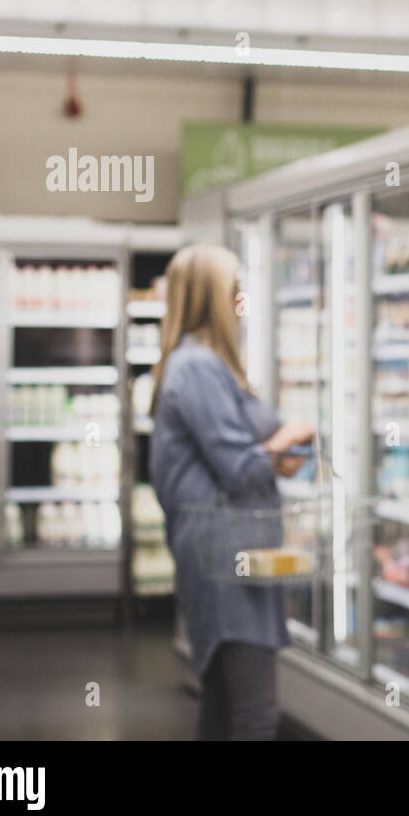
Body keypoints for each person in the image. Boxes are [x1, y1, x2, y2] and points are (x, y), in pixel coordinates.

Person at [148, 243, 314, 740]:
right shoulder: (198, 367)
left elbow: (238, 456)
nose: (242, 299)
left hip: (229, 553)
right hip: (226, 559)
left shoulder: (199, 364)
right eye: (235, 289)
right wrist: (288, 436)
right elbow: (239, 467)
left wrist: (273, 454)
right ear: (213, 297)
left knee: (221, 704)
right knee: (254, 713)